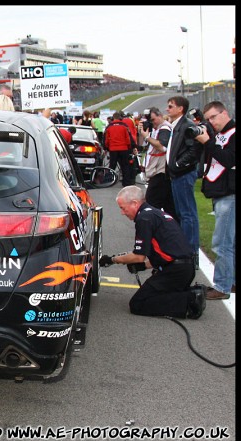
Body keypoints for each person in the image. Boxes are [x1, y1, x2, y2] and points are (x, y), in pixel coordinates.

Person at [100, 186, 205, 319]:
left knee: (138, 304)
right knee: (154, 295)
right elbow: (165, 253)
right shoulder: (156, 214)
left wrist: (112, 260)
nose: (122, 212)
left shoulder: (144, 218)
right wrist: (144, 266)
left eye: (122, 207)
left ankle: (190, 300)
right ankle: (187, 294)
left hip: (175, 272)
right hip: (184, 268)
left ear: (134, 203)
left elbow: (138, 256)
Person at [194, 101, 236, 300]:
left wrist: (208, 142)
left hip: (230, 195)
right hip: (222, 193)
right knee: (230, 243)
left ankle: (221, 286)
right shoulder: (218, 134)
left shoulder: (233, 133)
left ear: (224, 113)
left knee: (222, 244)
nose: (211, 122)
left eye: (214, 117)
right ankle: (230, 281)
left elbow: (228, 159)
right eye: (208, 118)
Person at [165, 95, 200, 268]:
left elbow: (194, 151)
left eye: (170, 106)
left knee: (187, 214)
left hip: (183, 174)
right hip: (176, 174)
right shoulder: (176, 125)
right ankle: (185, 248)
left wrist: (178, 165)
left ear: (180, 109)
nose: (167, 109)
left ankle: (191, 252)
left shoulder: (187, 126)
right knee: (181, 213)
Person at [138, 107, 176, 218]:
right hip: (157, 170)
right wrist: (141, 133)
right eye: (149, 121)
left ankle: (153, 226)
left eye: (153, 120)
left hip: (161, 171)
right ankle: (171, 228)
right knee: (168, 205)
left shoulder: (165, 128)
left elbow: (162, 147)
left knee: (151, 202)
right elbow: (142, 145)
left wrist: (147, 137)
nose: (152, 123)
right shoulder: (155, 128)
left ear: (160, 116)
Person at [104, 112, 136, 187]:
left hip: (113, 149)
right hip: (123, 148)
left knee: (112, 165)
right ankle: (126, 182)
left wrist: (107, 147)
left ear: (113, 118)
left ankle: (108, 181)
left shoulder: (109, 126)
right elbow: (128, 138)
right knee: (125, 165)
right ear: (120, 118)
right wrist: (129, 146)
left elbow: (106, 139)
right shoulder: (124, 126)